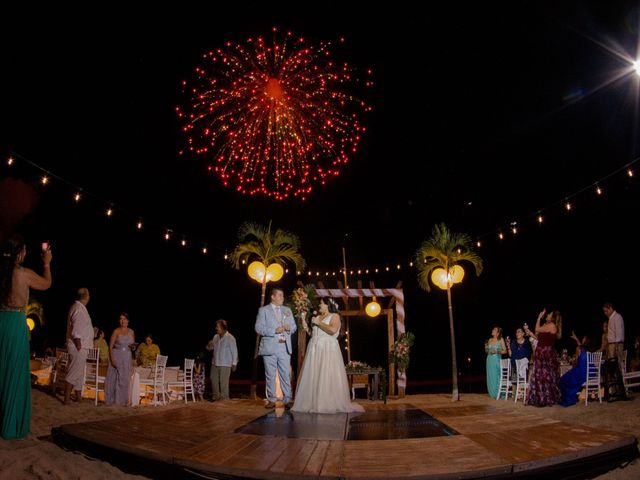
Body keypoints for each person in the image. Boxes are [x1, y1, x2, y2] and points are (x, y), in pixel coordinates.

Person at [0, 235, 52, 439]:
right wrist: (47, 263)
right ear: (19, 253)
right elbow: (47, 284)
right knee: (14, 373)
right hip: (14, 325)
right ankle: (10, 426)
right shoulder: (23, 274)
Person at [292, 298, 364, 413]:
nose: (319, 305)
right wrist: (305, 322)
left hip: (327, 349)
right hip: (314, 348)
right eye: (319, 303)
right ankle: (311, 402)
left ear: (328, 305)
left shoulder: (334, 316)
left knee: (326, 374)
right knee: (314, 374)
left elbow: (332, 330)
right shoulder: (317, 317)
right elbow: (313, 333)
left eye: (321, 303)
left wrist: (318, 323)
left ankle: (326, 403)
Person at [255, 287, 296, 409]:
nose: (282, 298)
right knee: (270, 374)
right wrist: (274, 330)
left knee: (285, 374)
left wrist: (289, 328)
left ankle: (287, 399)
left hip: (284, 347)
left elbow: (294, 327)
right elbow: (258, 328)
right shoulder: (264, 311)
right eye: (280, 295)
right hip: (270, 347)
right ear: (273, 297)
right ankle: (272, 399)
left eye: (283, 296)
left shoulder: (287, 310)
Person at [526, 308, 562, 407]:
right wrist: (531, 334)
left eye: (549, 314)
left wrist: (538, 318)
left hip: (545, 353)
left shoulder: (552, 325)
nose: (547, 315)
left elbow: (537, 329)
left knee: (545, 375)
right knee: (540, 375)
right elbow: (538, 336)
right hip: (541, 351)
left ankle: (546, 397)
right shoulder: (546, 325)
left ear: (553, 318)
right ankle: (540, 396)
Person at [65, 287, 94, 405]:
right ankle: (66, 399)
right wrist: (78, 344)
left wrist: (91, 331)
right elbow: (76, 328)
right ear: (86, 296)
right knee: (74, 371)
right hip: (78, 346)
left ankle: (78, 397)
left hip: (81, 345)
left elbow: (81, 327)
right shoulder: (79, 309)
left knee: (79, 372)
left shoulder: (79, 308)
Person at [104, 312, 135, 406]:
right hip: (117, 355)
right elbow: (110, 347)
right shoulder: (116, 331)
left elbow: (132, 347)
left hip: (127, 357)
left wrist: (133, 347)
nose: (122, 321)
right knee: (114, 378)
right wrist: (112, 359)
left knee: (125, 379)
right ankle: (113, 401)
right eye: (121, 319)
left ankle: (123, 401)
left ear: (128, 321)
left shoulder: (131, 332)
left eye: (124, 319)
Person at [206, 319, 238, 401]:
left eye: (217, 327)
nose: (216, 328)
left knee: (223, 383)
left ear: (223, 328)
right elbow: (210, 348)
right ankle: (216, 396)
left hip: (225, 364)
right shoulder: (215, 337)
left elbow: (234, 351)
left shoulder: (230, 338)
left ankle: (224, 399)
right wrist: (209, 345)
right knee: (213, 380)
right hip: (215, 362)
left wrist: (234, 363)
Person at [559, 331, 590, 407]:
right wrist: (576, 339)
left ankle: (568, 398)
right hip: (581, 371)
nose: (582, 339)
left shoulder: (583, 351)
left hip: (580, 373)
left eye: (584, 338)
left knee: (564, 379)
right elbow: (580, 346)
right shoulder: (585, 351)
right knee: (565, 377)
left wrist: (576, 339)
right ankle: (568, 396)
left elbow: (578, 362)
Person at [485, 327, 506, 399]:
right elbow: (487, 351)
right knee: (490, 376)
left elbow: (505, 351)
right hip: (489, 359)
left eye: (494, 330)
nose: (492, 330)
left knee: (497, 375)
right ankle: (491, 393)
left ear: (498, 333)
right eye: (493, 329)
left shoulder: (501, 339)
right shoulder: (490, 340)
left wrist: (497, 352)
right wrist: (486, 348)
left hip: (496, 360)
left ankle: (498, 392)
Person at [603, 302, 625, 368]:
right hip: (611, 345)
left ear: (611, 308)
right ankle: (616, 377)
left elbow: (619, 332)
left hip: (616, 344)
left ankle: (623, 377)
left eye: (606, 311)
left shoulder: (617, 317)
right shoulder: (611, 318)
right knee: (613, 365)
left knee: (618, 363)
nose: (605, 313)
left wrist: (616, 346)